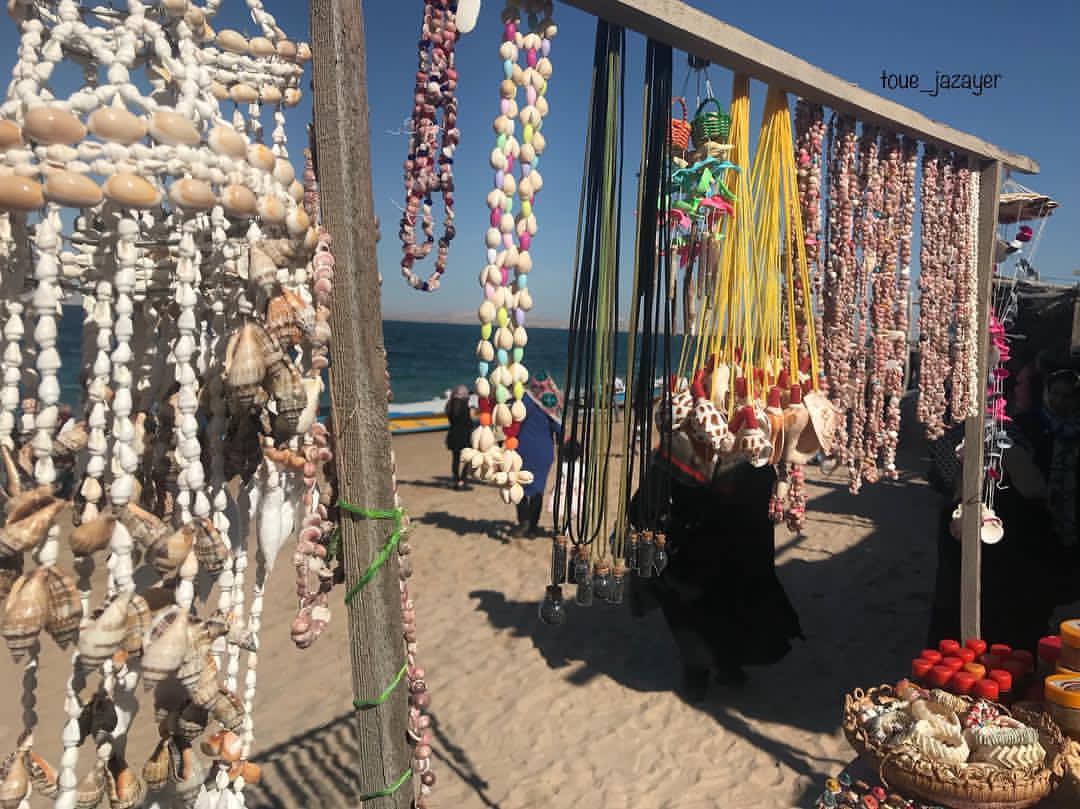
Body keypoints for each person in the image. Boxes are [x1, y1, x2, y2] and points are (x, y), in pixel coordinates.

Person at [629, 452, 804, 701]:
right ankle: (724, 666)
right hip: (728, 553)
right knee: (728, 601)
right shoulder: (756, 456)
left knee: (696, 606)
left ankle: (702, 673)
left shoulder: (681, 449)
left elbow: (644, 507)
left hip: (700, 553)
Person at [514, 372, 563, 537]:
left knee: (519, 486)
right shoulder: (551, 401)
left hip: (522, 449)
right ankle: (533, 528)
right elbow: (559, 429)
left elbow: (513, 421)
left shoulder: (523, 399)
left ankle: (523, 521)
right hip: (543, 452)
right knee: (537, 489)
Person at [546, 439, 583, 526]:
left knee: (564, 510)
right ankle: (567, 528)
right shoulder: (581, 467)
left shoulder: (562, 466)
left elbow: (559, 478)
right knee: (573, 511)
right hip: (576, 492)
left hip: (563, 493)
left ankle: (565, 528)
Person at [444, 385, 473, 490]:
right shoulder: (465, 406)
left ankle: (456, 480)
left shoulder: (450, 405)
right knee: (469, 459)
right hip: (464, 436)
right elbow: (468, 423)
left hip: (453, 435)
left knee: (455, 459)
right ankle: (463, 480)